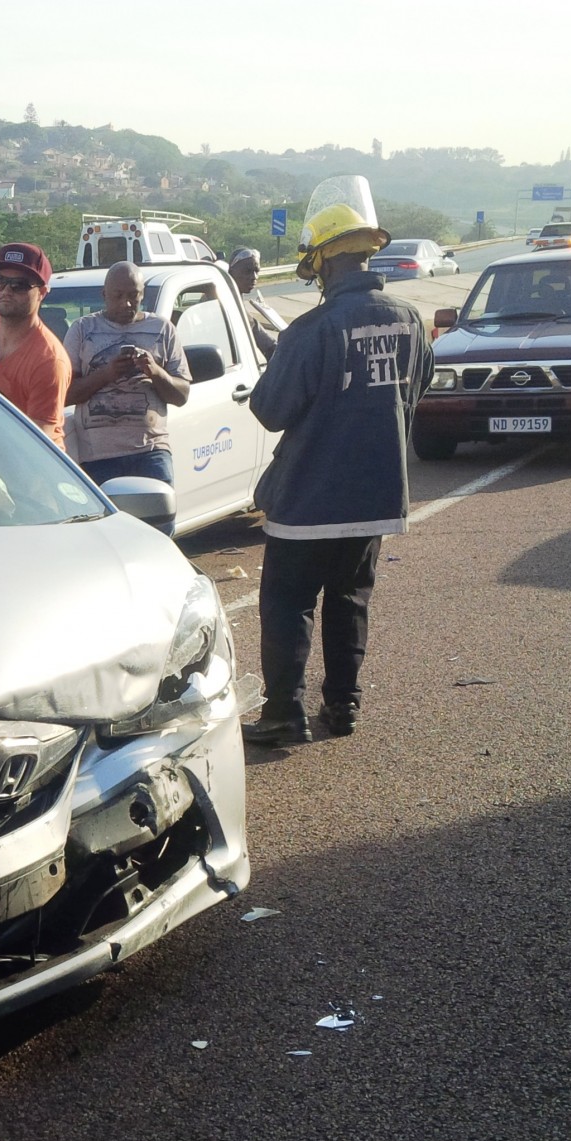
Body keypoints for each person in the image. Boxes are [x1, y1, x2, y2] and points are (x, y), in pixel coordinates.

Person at [241, 201, 432, 746]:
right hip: (377, 494)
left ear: (322, 263)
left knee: (287, 604)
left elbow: (271, 409)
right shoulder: (409, 319)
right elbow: (417, 388)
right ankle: (343, 707)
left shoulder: (311, 328)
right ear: (368, 254)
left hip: (309, 498)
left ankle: (284, 714)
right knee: (350, 599)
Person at [61, 261, 190, 533]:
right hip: (98, 456)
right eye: (118, 295)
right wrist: (107, 374)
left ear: (143, 293)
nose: (127, 304)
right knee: (105, 536)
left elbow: (181, 395)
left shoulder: (162, 329)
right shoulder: (82, 330)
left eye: (134, 295)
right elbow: (64, 395)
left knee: (160, 532)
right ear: (103, 295)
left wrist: (155, 372)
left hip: (151, 452)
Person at [0, 243, 72, 448]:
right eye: (0, 282)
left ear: (42, 292)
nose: (6, 290)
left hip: (32, 466)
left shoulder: (49, 361)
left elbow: (38, 441)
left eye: (19, 285)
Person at [228, 247, 284, 359]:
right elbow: (263, 340)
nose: (254, 277)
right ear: (231, 272)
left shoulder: (234, 300)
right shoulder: (226, 303)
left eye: (256, 271)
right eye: (247, 271)